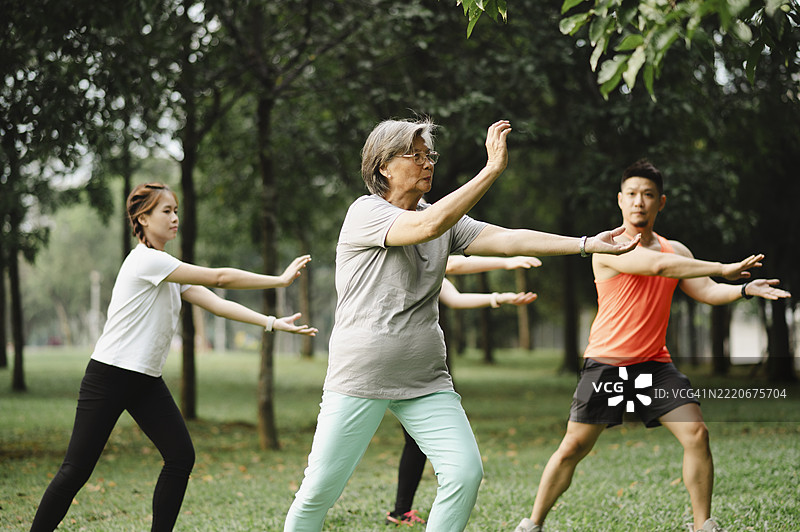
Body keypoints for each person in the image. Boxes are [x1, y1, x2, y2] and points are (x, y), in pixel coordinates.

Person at [283, 117, 639, 532]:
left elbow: (506, 239)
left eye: (429, 154)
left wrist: (583, 244)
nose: (426, 163)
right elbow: (425, 228)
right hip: (358, 378)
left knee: (464, 472)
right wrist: (490, 170)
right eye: (414, 155)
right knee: (319, 491)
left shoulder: (438, 216)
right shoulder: (367, 213)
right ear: (383, 166)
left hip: (425, 380)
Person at [512, 159, 792, 532]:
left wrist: (742, 289)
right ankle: (532, 524)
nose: (638, 202)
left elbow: (705, 290)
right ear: (620, 201)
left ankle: (702, 525)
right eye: (631, 195)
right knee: (574, 447)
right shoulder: (607, 248)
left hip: (654, 365)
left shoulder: (675, 249)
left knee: (697, 433)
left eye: (647, 195)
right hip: (607, 364)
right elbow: (660, 268)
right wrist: (723, 266)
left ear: (661, 202)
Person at [30, 183, 317, 532]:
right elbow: (221, 278)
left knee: (180, 456)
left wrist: (271, 322)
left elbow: (216, 302)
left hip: (145, 381)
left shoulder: (166, 268)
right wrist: (279, 280)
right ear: (142, 217)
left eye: (176, 210)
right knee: (76, 469)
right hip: (110, 375)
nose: (175, 218)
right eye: (166, 211)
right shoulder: (147, 261)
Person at [387, 255, 540, 527]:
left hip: (413, 370)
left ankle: (400, 511)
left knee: (414, 441)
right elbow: (452, 263)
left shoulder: (424, 269)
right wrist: (505, 261)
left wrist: (499, 298)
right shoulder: (397, 260)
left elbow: (454, 298)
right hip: (380, 365)